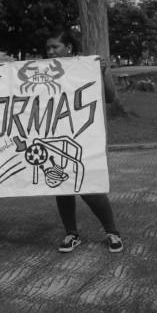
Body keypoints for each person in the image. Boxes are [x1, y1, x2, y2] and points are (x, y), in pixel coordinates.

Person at [45, 28, 124, 253]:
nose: (50, 52)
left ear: (69, 48)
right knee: (62, 186)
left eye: (55, 47)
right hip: (55, 135)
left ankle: (112, 232)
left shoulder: (89, 66)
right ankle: (71, 233)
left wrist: (101, 73)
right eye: (48, 48)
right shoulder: (44, 71)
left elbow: (110, 97)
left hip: (83, 136)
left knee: (89, 186)